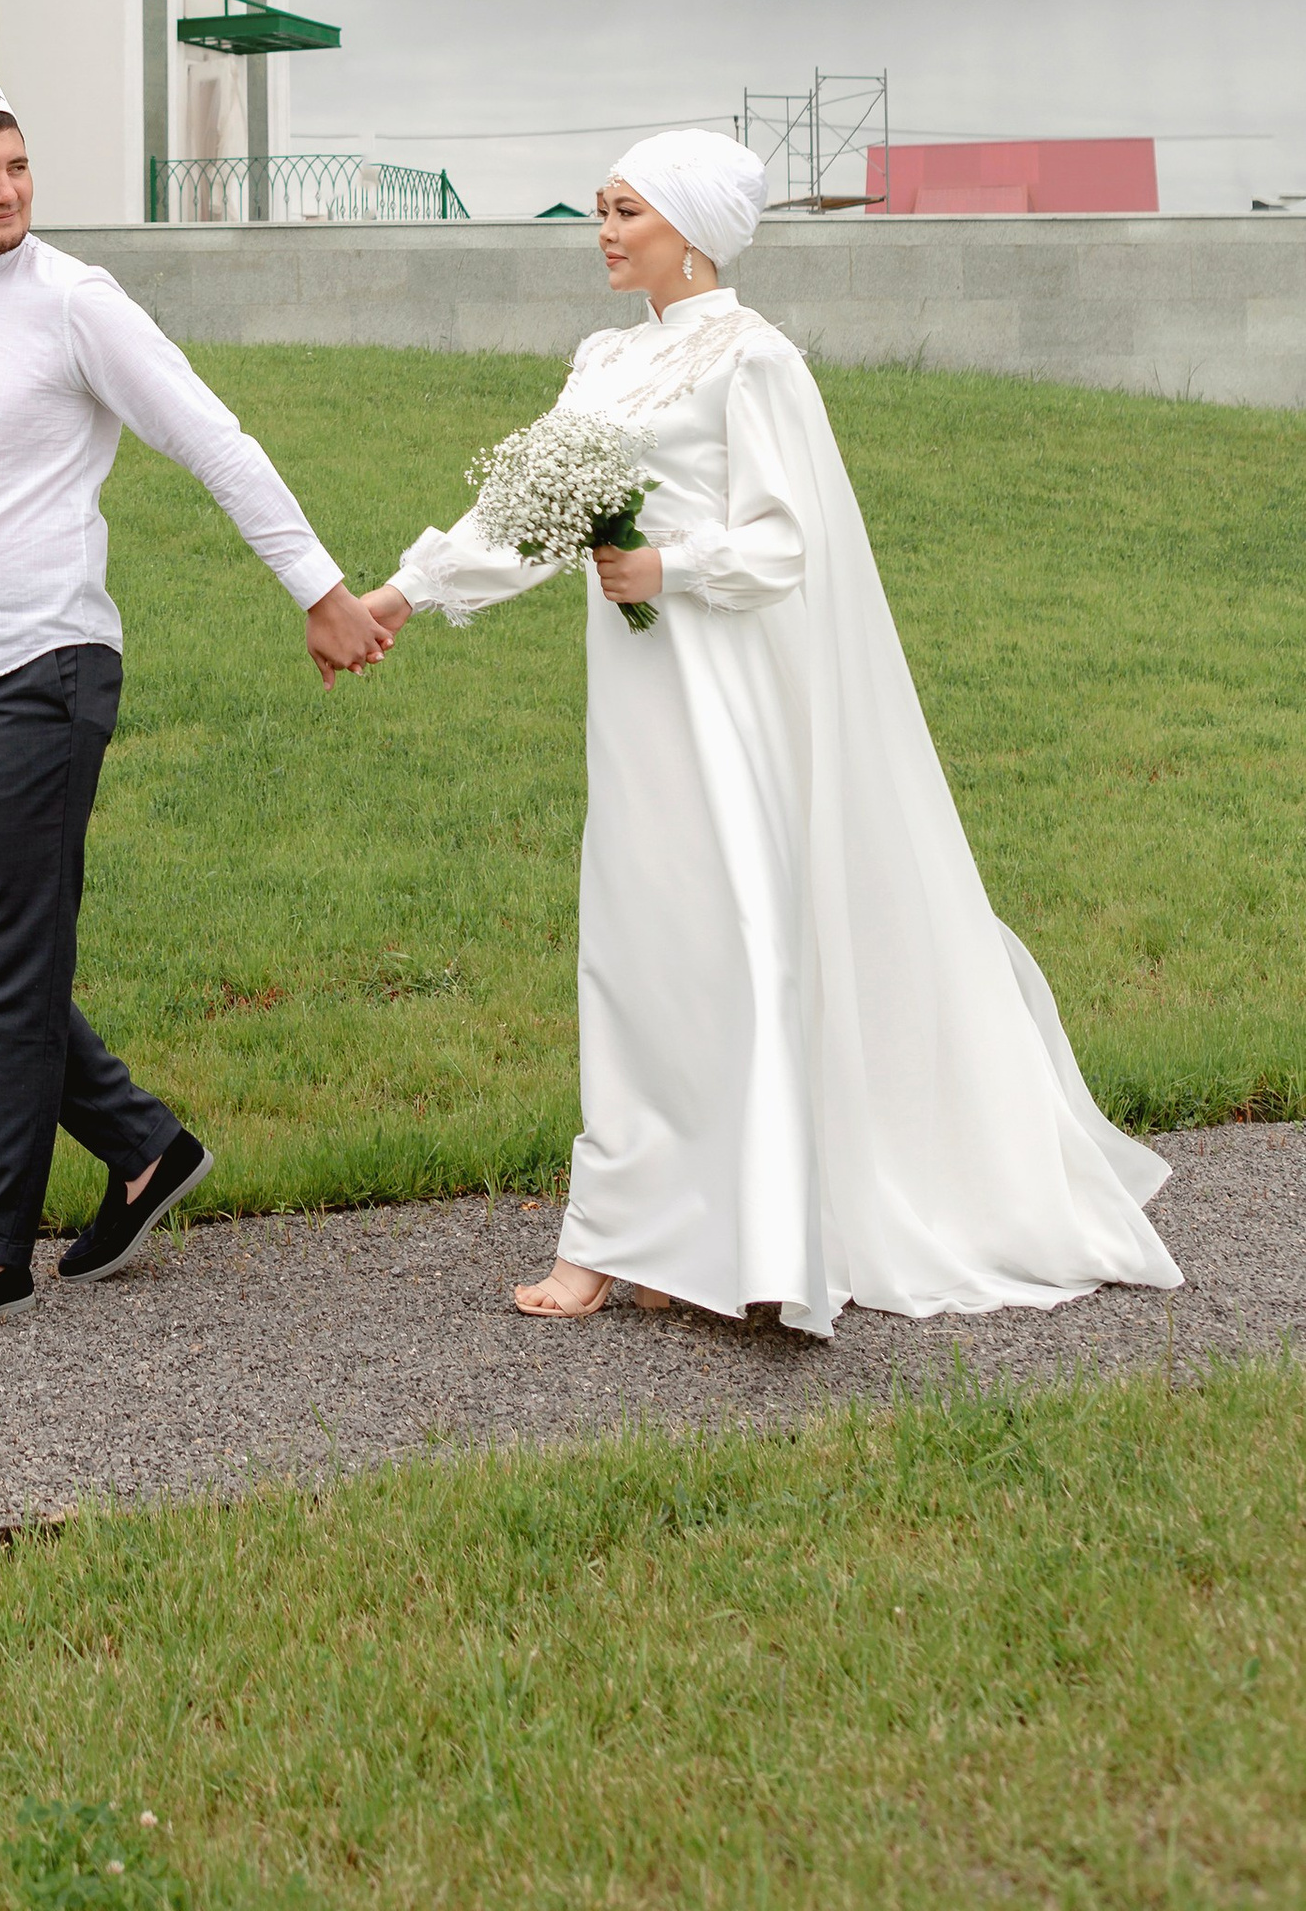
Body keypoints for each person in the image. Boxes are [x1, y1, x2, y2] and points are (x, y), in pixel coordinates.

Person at [352, 129, 1182, 1338]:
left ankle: (739, 1229)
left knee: (737, 932)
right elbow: (520, 511)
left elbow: (792, 542)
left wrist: (665, 564)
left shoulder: (757, 359)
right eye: (600, 209)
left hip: (728, 688)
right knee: (640, 941)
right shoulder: (599, 357)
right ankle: (636, 1228)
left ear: (689, 228)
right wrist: (396, 597)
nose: (605, 230)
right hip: (637, 700)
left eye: (625, 210)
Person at [0, 70, 389, 1337]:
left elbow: (211, 435)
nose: (7, 191)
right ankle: (144, 1146)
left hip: (48, 668)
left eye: (18, 166)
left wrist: (316, 588)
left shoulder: (77, 302)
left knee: (19, 966)